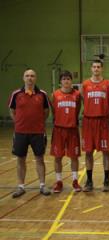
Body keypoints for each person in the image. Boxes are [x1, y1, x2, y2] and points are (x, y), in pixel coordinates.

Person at [8, 68, 51, 198]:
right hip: (20, 133)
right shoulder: (16, 94)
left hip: (37, 133)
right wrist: (19, 123)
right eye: (27, 76)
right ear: (23, 78)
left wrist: (38, 123)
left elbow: (46, 112)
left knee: (40, 158)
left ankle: (42, 185)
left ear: (35, 78)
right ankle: (21, 187)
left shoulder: (42, 94)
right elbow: (11, 110)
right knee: (20, 159)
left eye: (32, 76)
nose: (30, 78)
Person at [81, 60, 109, 192]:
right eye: (94, 67)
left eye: (98, 67)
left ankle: (106, 179)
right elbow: (83, 100)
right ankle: (89, 180)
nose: (96, 69)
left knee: (106, 151)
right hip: (88, 122)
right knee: (88, 151)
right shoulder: (85, 84)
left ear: (102, 69)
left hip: (103, 121)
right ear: (91, 69)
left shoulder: (108, 84)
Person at [50, 71, 82, 193]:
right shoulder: (55, 95)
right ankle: (59, 181)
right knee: (58, 156)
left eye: (68, 79)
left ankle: (75, 181)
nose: (66, 81)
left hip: (72, 130)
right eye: (64, 79)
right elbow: (53, 111)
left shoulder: (77, 95)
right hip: (59, 129)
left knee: (74, 156)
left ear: (71, 81)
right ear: (60, 81)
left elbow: (78, 109)